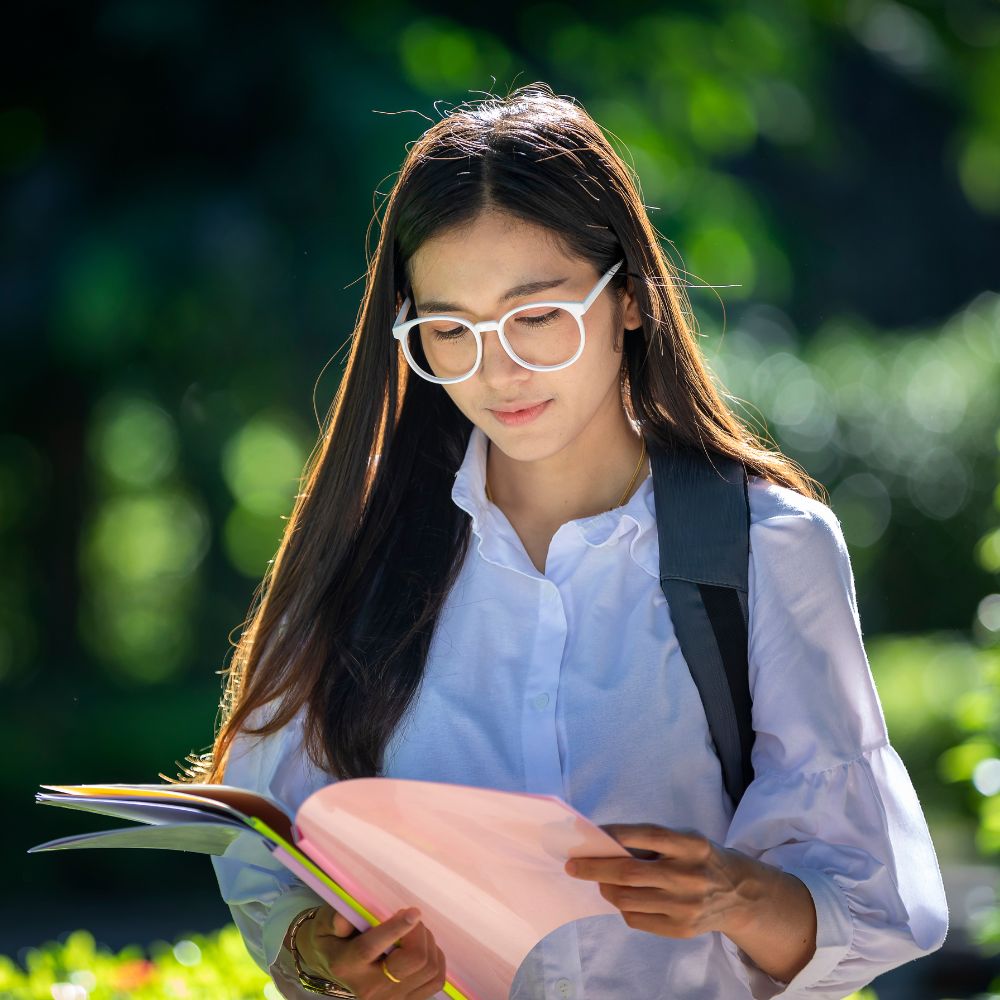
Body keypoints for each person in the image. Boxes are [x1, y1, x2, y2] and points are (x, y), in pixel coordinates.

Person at [172, 82, 949, 999]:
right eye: (448, 330)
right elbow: (264, 850)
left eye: (537, 315)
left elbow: (876, 904)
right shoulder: (359, 549)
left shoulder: (768, 548)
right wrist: (326, 960)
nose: (497, 369)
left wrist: (735, 896)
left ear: (628, 298)